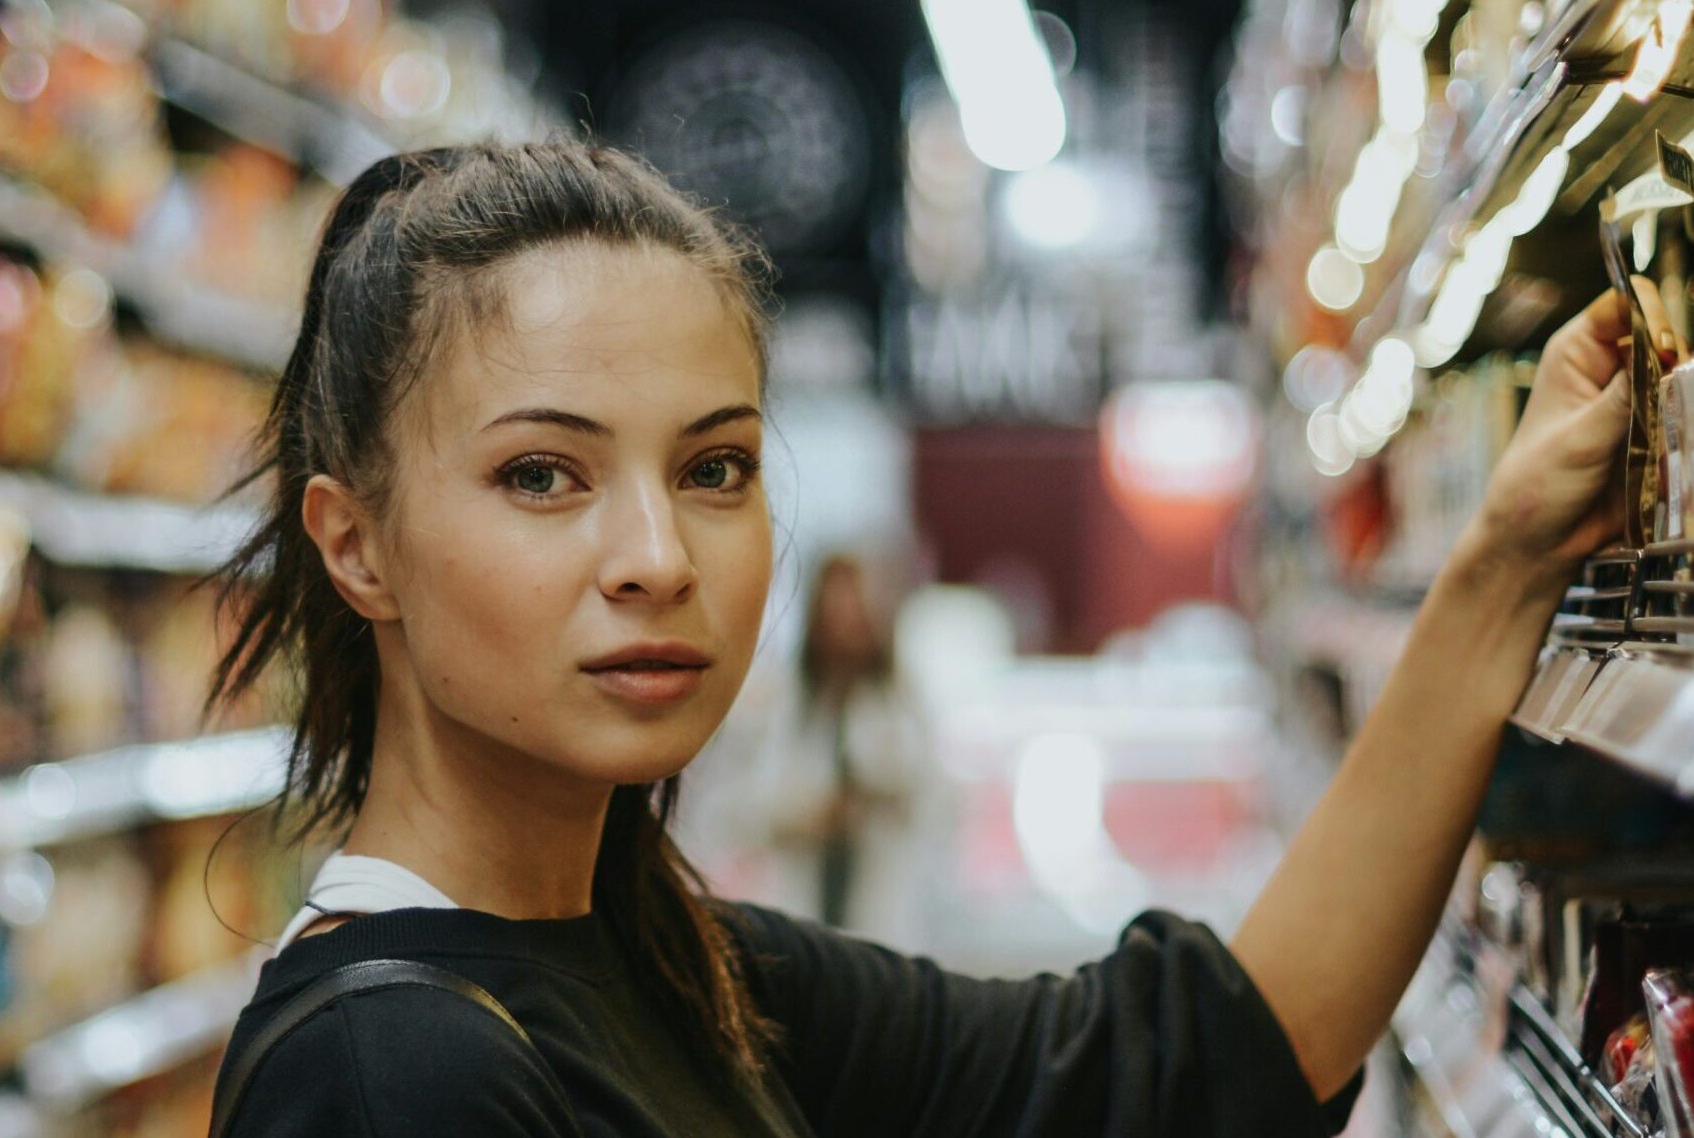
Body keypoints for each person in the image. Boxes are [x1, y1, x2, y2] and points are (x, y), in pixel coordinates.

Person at [202, 140, 1643, 1137]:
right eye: (541, 475)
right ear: (355, 543)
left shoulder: (678, 965)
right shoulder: (392, 1075)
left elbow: (1198, 1064)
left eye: (713, 468)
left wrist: (1505, 560)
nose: (653, 558)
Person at [729, 553, 933, 947]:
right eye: (834, 613)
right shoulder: (785, 703)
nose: (844, 628)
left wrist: (876, 795)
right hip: (802, 898)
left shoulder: (899, 700)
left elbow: (934, 798)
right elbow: (742, 806)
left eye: (854, 613)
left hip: (882, 901)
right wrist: (808, 813)